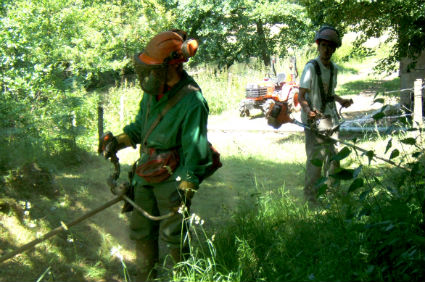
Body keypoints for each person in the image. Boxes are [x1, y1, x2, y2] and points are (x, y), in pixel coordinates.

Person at [100, 30, 213, 281]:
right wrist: (116, 142)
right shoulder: (152, 92)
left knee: (175, 235)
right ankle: (145, 277)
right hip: (144, 174)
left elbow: (196, 152)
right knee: (141, 230)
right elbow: (140, 129)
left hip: (173, 178)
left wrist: (186, 187)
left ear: (171, 67)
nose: (147, 75)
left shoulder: (192, 100)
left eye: (153, 69)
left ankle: (183, 277)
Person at [298, 25, 353, 203]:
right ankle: (311, 199)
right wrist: (309, 111)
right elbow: (301, 96)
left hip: (330, 118)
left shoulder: (334, 69)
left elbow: (328, 93)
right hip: (313, 120)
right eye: (324, 45)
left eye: (331, 47)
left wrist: (340, 100)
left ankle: (333, 196)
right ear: (318, 46)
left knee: (334, 157)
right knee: (316, 159)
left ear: (334, 49)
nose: (327, 50)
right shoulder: (311, 67)